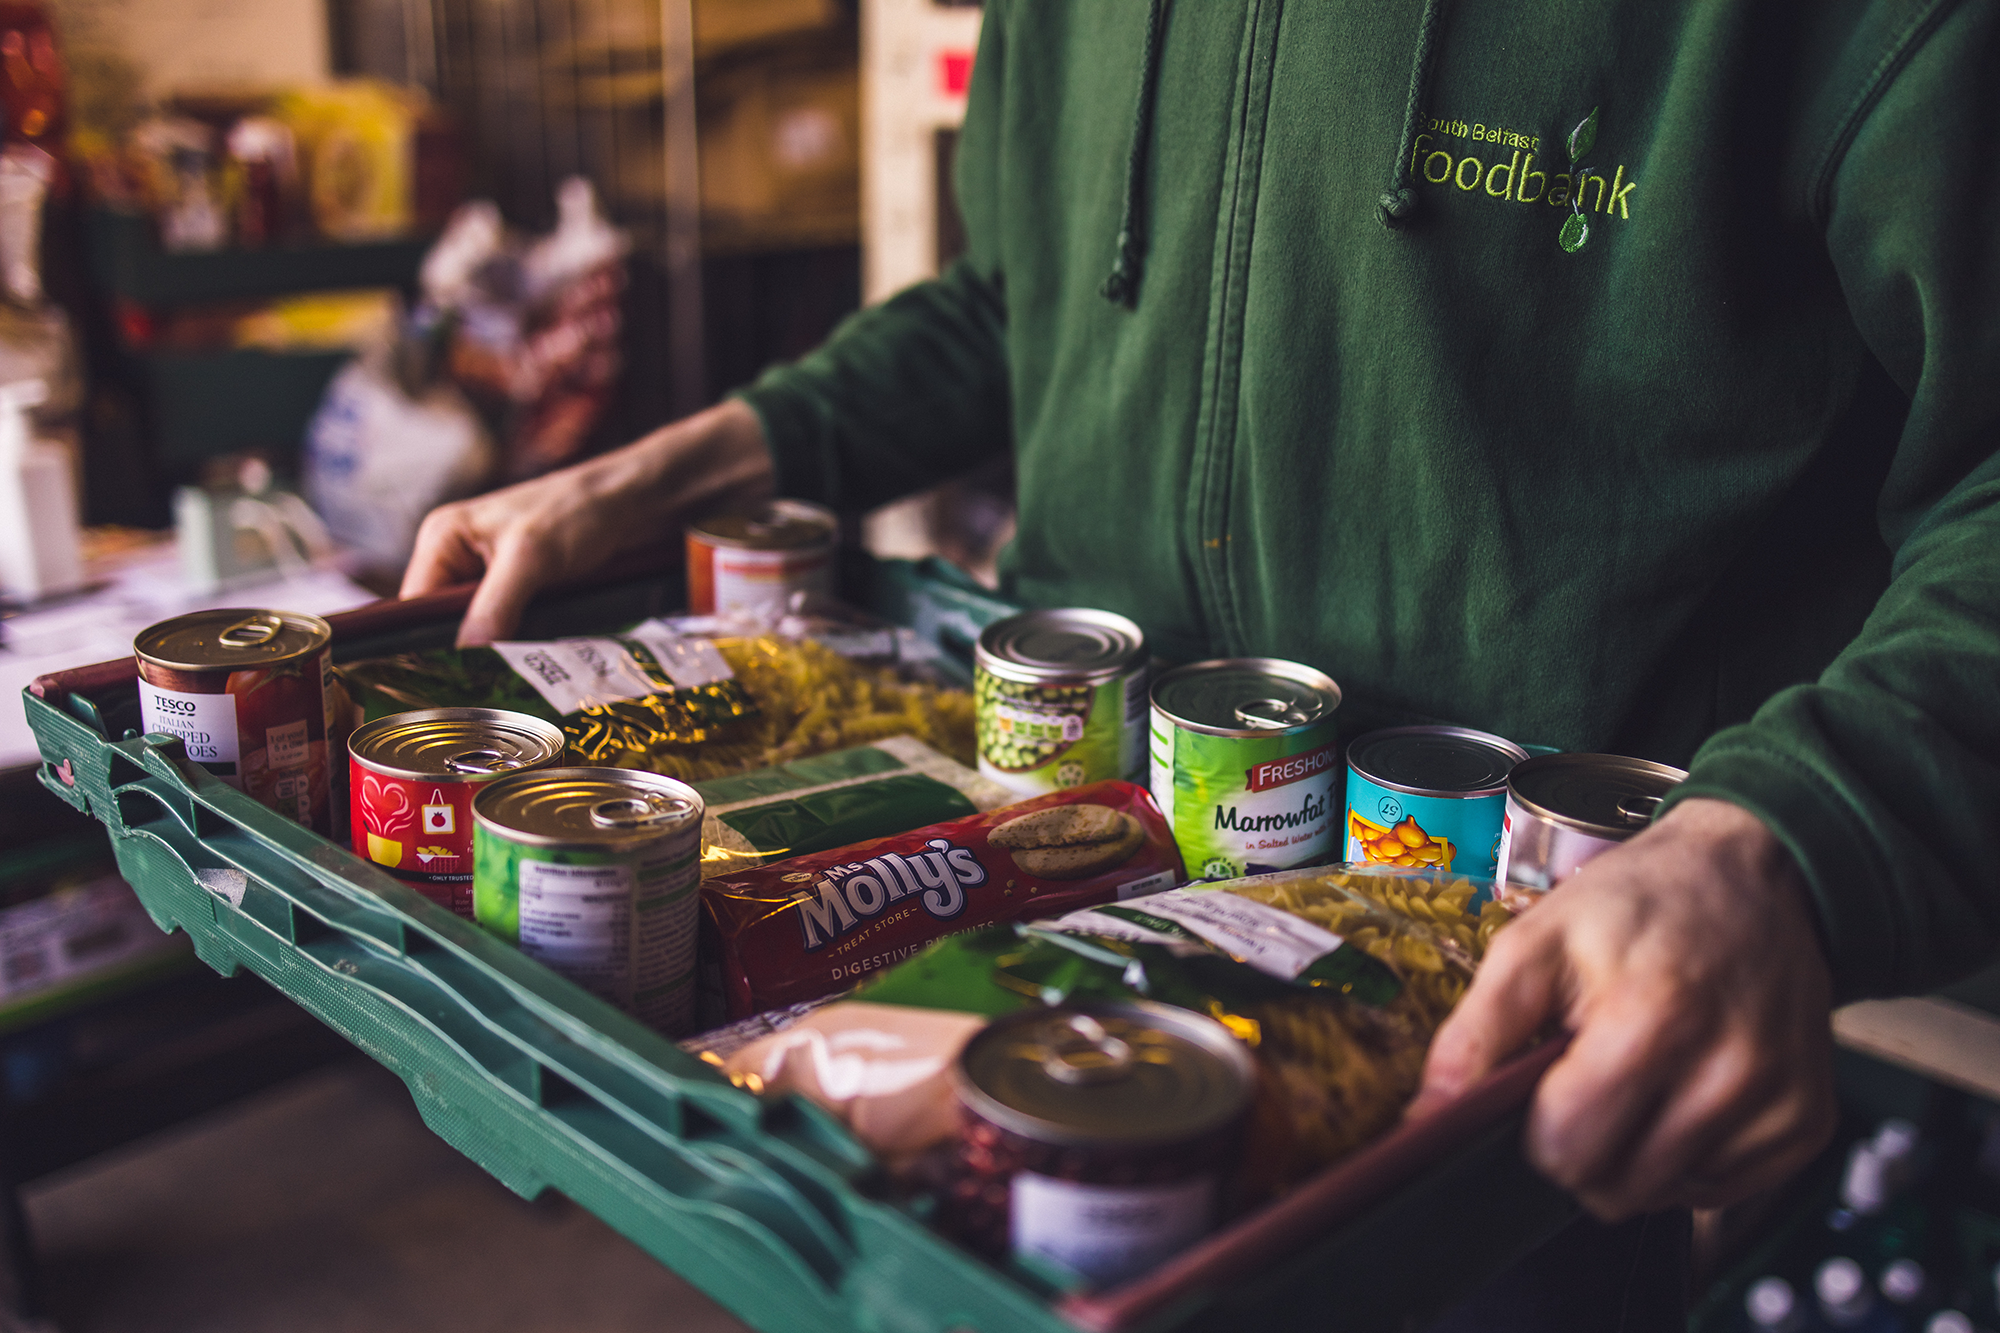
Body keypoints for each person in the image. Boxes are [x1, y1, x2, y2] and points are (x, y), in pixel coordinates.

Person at [404, 1, 2000, 1323]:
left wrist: (1788, 840)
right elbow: (1005, 306)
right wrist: (670, 467)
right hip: (1047, 856)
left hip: (1502, 998)